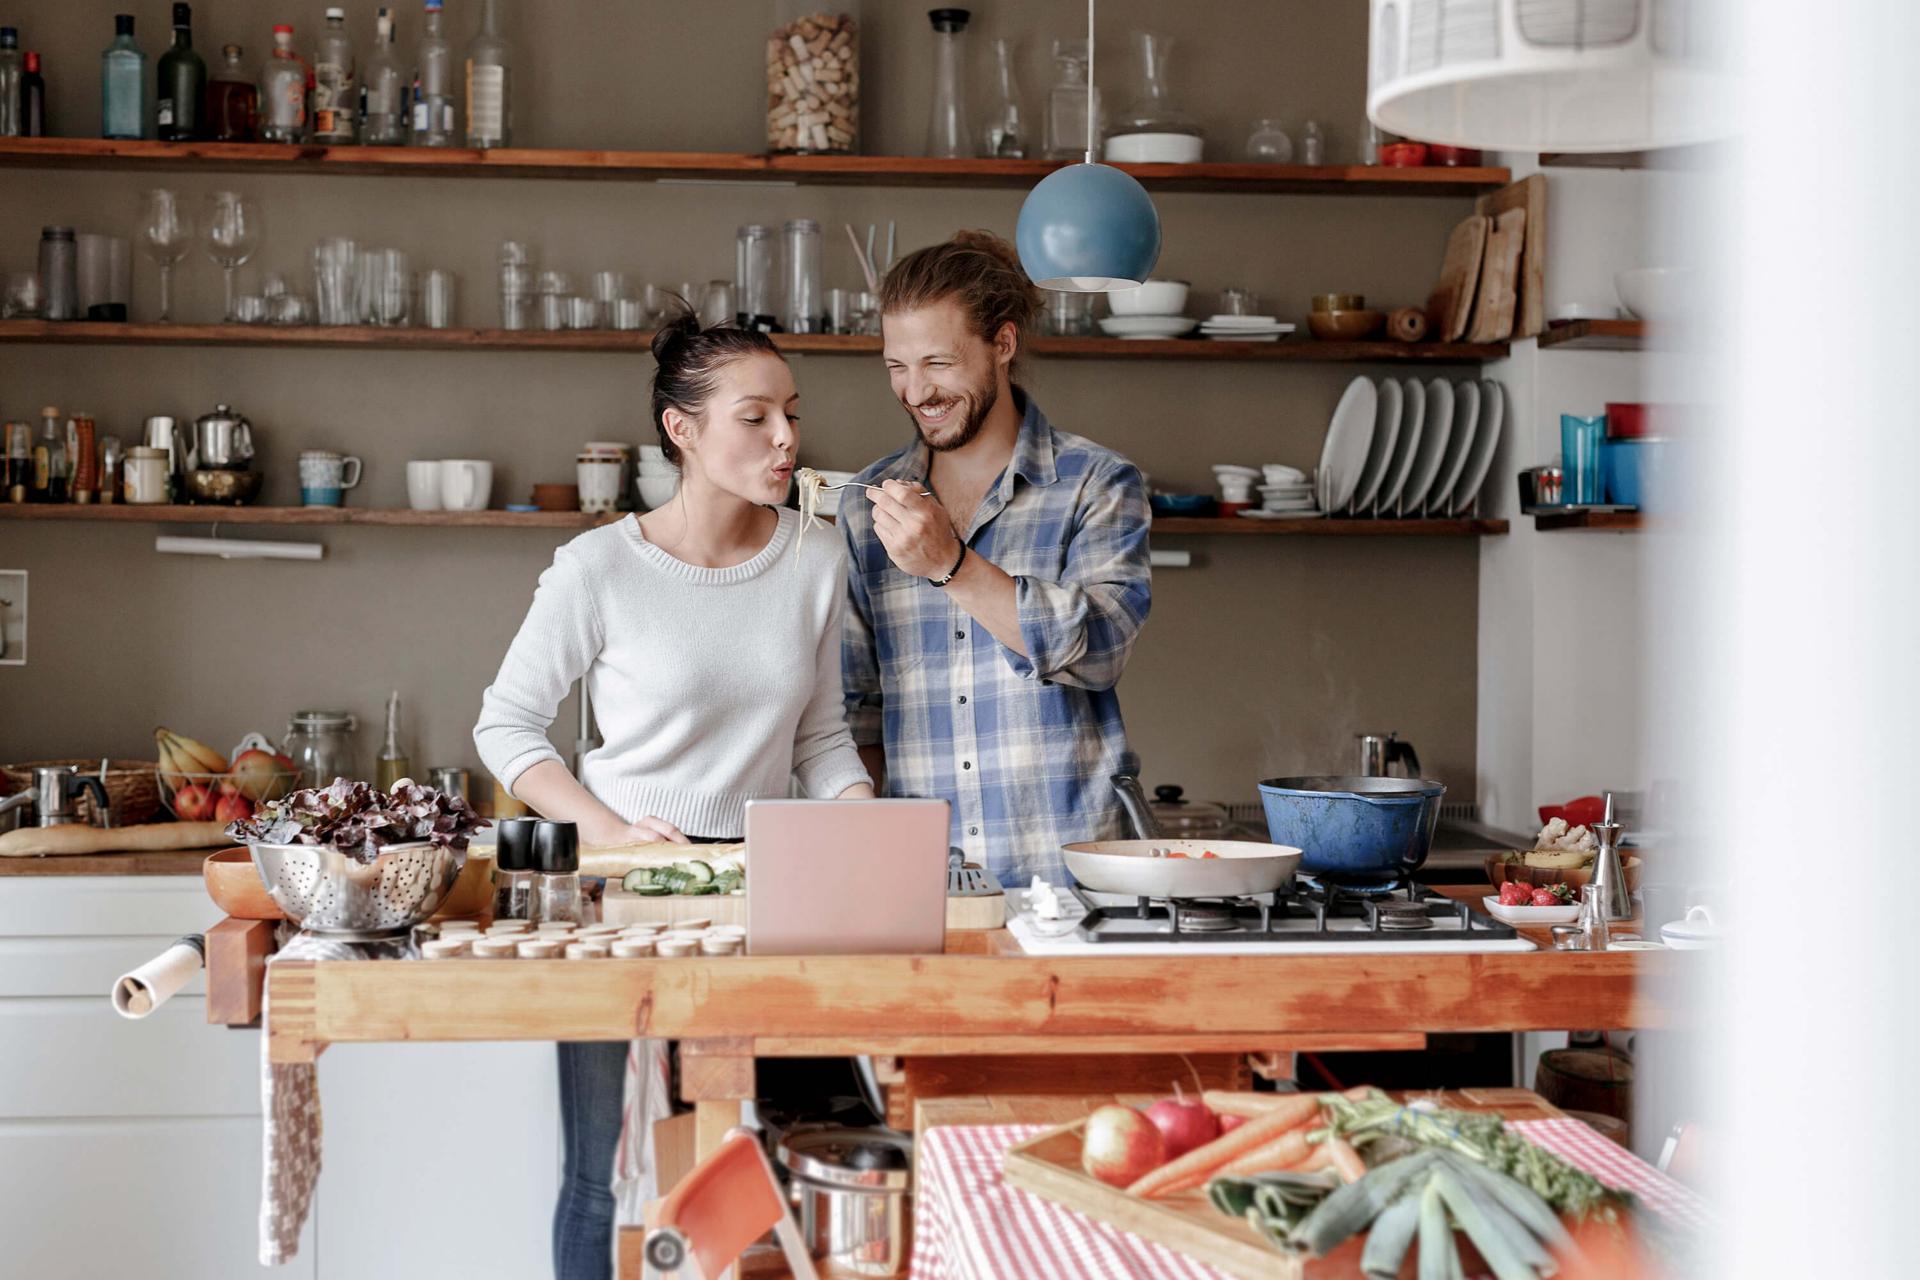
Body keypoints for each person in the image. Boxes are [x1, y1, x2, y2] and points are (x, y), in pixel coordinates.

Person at [473, 311, 872, 1280]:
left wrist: (866, 823)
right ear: (682, 429)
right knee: (602, 1171)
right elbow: (506, 725)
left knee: (774, 1151)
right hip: (615, 892)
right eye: (756, 415)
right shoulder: (600, 567)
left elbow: (819, 738)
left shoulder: (817, 559)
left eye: (791, 413)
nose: (786, 437)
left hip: (762, 890)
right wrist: (606, 827)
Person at [839, 230, 1153, 885]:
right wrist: (866, 855)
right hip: (924, 877)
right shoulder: (867, 506)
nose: (915, 391)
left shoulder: (1095, 482)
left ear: (1002, 345)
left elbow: (1098, 650)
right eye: (897, 365)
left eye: (938, 363)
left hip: (1072, 875)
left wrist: (951, 565)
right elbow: (859, 707)